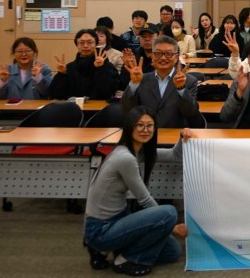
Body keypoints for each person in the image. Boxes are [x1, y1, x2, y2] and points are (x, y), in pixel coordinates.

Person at [83, 106, 188, 276]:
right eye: (140, 125)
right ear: (129, 126)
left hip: (118, 219)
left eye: (150, 125)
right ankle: (126, 259)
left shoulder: (138, 152)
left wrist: (182, 138)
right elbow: (145, 200)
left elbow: (173, 156)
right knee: (168, 213)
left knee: (172, 252)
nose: (145, 130)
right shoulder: (125, 157)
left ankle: (110, 249)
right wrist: (172, 226)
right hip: (100, 229)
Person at [122, 36, 199, 129]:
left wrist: (181, 89)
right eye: (158, 53)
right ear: (152, 56)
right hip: (145, 133)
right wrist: (134, 83)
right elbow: (127, 110)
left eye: (168, 54)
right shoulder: (141, 79)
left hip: (175, 134)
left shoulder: (189, 81)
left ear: (176, 57)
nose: (163, 58)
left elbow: (191, 113)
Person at [49, 29, 118, 101]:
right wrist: (62, 74)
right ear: (77, 45)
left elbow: (108, 92)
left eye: (89, 42)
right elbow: (55, 94)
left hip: (99, 107)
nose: (85, 46)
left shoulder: (107, 66)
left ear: (96, 44)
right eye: (81, 43)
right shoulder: (69, 68)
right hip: (72, 107)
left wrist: (100, 69)